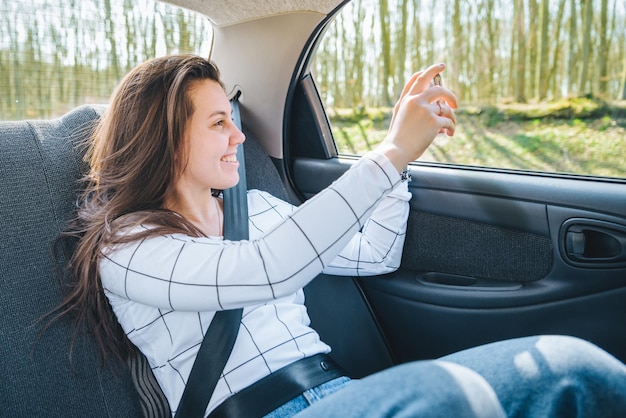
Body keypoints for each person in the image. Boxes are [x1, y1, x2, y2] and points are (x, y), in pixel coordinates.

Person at [52, 54, 626, 418]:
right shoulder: (128, 247)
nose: (239, 137)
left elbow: (376, 251)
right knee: (565, 373)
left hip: (340, 393)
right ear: (168, 140)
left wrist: (398, 167)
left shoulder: (258, 210)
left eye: (234, 116)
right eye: (219, 122)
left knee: (573, 376)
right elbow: (266, 271)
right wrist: (390, 151)